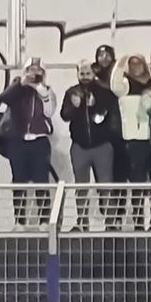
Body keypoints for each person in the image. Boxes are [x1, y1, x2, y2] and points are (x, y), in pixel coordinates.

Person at [0, 58, 55, 228]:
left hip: (39, 141)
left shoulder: (47, 90)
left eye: (38, 70)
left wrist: (42, 92)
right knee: (19, 181)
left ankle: (44, 221)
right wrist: (22, 83)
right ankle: (19, 221)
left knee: (41, 181)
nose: (34, 73)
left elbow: (49, 112)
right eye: (31, 69)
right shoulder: (17, 87)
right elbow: (5, 98)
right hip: (18, 141)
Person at [61, 61, 121, 229]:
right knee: (81, 187)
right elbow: (64, 115)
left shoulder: (104, 91)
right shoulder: (71, 92)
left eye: (88, 73)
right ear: (77, 74)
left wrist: (96, 105)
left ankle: (110, 223)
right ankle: (82, 222)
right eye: (82, 74)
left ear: (93, 73)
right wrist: (75, 107)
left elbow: (111, 114)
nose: (85, 77)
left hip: (102, 146)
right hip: (79, 146)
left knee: (106, 185)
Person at [111, 54, 151, 226]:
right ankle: (137, 221)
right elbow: (114, 85)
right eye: (132, 64)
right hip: (132, 140)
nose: (136, 67)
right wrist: (120, 63)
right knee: (136, 182)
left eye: (139, 63)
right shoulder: (125, 84)